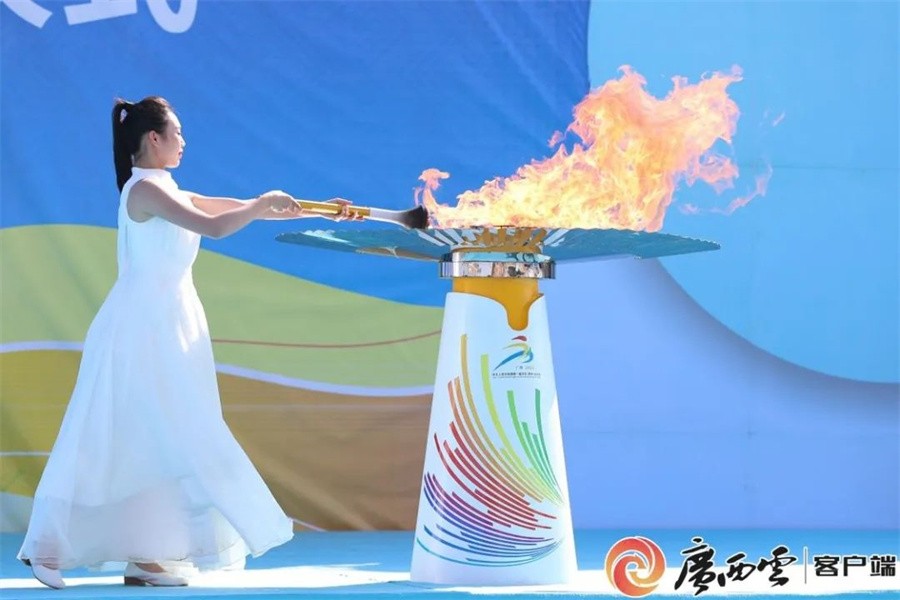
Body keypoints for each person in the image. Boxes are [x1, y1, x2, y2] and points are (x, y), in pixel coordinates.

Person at [18, 96, 351, 589]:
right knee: (108, 436)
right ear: (153, 138)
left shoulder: (167, 187)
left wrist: (311, 210)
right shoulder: (144, 190)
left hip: (173, 324)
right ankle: (46, 548)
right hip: (138, 326)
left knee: (156, 439)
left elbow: (233, 209)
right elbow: (216, 226)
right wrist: (260, 203)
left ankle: (146, 555)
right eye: (177, 133)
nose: (184, 142)